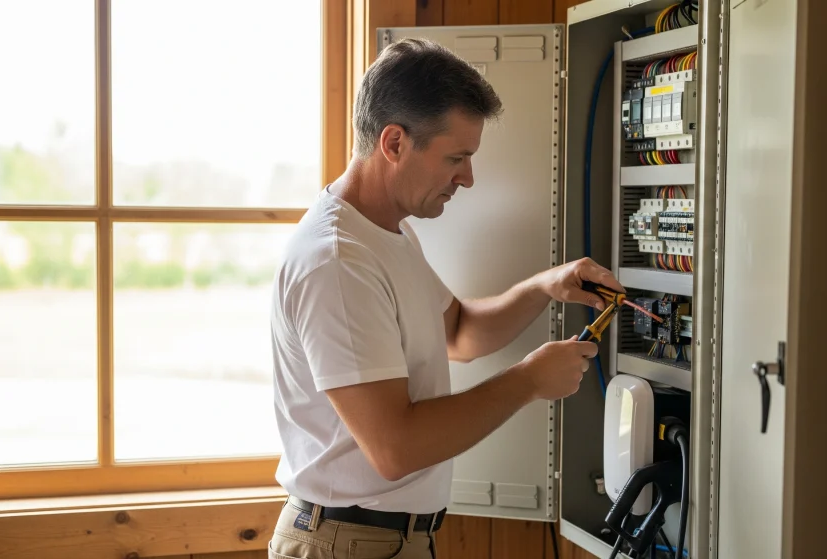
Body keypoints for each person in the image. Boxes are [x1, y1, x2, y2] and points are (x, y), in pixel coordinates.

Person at [267, 38, 625, 559]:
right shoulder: (338, 261)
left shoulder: (387, 234)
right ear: (394, 143)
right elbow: (396, 449)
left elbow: (459, 333)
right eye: (455, 158)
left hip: (384, 540)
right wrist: (528, 381)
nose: (468, 178)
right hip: (347, 544)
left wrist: (545, 286)